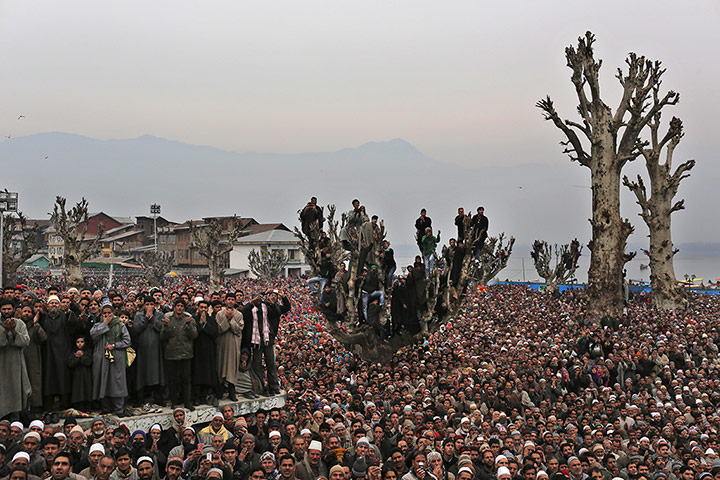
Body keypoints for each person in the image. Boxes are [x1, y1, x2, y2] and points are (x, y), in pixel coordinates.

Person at [242, 290, 290, 395]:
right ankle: (260, 386)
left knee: (271, 364)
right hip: (256, 341)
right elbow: (243, 312)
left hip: (268, 339)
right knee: (257, 365)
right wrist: (252, 302)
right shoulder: (250, 310)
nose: (258, 301)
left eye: (259, 299)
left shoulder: (267, 308)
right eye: (256, 299)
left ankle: (274, 386)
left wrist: (281, 298)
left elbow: (283, 309)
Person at [91, 304, 131, 417]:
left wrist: (114, 345)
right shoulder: (98, 324)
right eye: (105, 313)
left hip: (116, 357)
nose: (107, 315)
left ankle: (119, 408)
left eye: (109, 313)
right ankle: (106, 407)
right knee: (103, 380)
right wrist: (105, 324)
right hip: (102, 357)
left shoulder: (120, 325)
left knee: (117, 382)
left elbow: (127, 341)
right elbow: (93, 335)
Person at [160, 300, 197, 411]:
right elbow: (162, 337)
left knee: (186, 379)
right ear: (174, 308)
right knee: (172, 380)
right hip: (171, 354)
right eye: (177, 306)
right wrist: (165, 327)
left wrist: (188, 325)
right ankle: (174, 402)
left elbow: (194, 335)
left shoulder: (189, 319)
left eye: (181, 306)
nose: (179, 308)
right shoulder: (168, 320)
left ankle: (187, 402)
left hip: (186, 354)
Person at [0, 299, 32, 420]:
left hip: (16, 364)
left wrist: (13, 331)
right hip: (2, 364)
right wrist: (5, 331)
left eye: (9, 309)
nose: (7, 311)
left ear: (13, 310)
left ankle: (15, 422)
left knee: (16, 392)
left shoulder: (20, 324)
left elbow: (25, 342)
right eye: (4, 309)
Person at [132, 296, 165, 410]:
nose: (149, 307)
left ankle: (158, 398)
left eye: (151, 304)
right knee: (142, 373)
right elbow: (136, 329)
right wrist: (146, 318)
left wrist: (152, 319)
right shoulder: (138, 315)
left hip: (156, 348)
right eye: (147, 304)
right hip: (142, 349)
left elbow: (161, 327)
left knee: (156, 372)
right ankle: (140, 399)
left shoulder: (160, 315)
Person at [192, 300, 220, 407]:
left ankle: (204, 396)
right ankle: (196, 397)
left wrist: (205, 324)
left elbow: (215, 333)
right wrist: (200, 324)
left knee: (207, 374)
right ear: (197, 308)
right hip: (196, 351)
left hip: (208, 351)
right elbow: (193, 333)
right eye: (201, 307)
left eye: (205, 307)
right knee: (197, 374)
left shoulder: (212, 320)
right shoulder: (193, 319)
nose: (203, 309)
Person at [216, 297, 243, 402]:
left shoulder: (239, 315)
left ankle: (232, 393)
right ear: (225, 301)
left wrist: (231, 319)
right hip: (222, 343)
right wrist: (226, 319)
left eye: (232, 299)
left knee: (232, 368)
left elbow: (238, 330)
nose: (231, 301)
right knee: (220, 366)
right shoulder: (219, 314)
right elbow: (219, 329)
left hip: (233, 344)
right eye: (229, 299)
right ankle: (219, 392)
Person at [66, 336, 93, 412]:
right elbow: (70, 363)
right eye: (78, 342)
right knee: (78, 392)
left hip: (87, 375)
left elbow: (88, 362)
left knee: (87, 392)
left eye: (81, 342)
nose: (80, 344)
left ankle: (88, 408)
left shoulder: (88, 351)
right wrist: (77, 357)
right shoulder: (73, 352)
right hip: (76, 376)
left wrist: (82, 356)